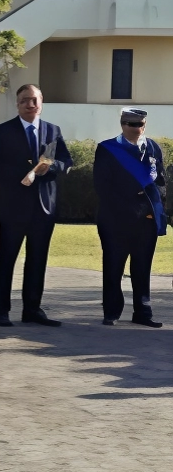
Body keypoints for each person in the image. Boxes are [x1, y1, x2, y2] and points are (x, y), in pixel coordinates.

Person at [0, 84, 72, 327]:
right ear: (17, 104)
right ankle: (2, 310)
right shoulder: (2, 132)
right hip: (13, 207)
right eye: (24, 101)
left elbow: (66, 161)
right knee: (7, 258)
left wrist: (48, 168)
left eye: (34, 100)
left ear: (41, 102)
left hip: (44, 208)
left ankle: (32, 309)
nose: (30, 104)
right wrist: (23, 173)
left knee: (38, 259)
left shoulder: (53, 130)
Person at [94, 108, 165, 327]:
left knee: (142, 267)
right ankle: (112, 312)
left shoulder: (153, 148)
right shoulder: (107, 149)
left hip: (146, 218)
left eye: (140, 124)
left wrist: (151, 206)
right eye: (130, 124)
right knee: (114, 266)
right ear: (122, 124)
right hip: (116, 219)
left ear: (145, 124)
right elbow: (102, 186)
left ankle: (143, 313)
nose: (136, 129)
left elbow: (161, 182)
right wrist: (131, 204)